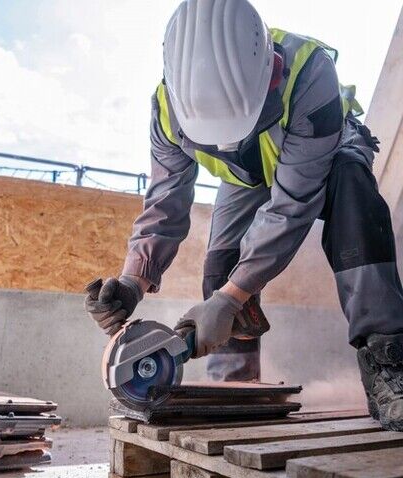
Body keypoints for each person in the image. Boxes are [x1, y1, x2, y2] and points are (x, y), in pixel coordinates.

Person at [86, 0, 403, 431]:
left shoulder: (309, 74)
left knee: (354, 206)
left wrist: (231, 299)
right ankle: (235, 388)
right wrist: (133, 280)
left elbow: (291, 207)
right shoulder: (167, 109)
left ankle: (388, 363)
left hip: (325, 150)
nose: (227, 143)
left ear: (271, 72)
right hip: (247, 174)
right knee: (221, 263)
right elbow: (165, 202)